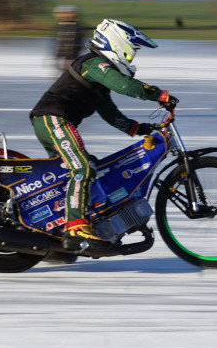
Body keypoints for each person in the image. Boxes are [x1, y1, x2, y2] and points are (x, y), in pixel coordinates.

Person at [30, 19, 178, 252]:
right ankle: (76, 226)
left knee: (79, 171)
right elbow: (125, 86)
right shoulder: (94, 64)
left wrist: (137, 128)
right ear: (119, 44)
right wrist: (160, 95)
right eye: (131, 52)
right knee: (83, 169)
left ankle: (57, 242)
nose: (131, 59)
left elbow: (108, 111)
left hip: (51, 121)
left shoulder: (97, 79)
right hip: (54, 119)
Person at [52, 5, 83, 72]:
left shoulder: (75, 26)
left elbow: (76, 43)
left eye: (69, 13)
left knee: (67, 74)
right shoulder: (62, 25)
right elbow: (59, 42)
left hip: (70, 57)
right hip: (63, 56)